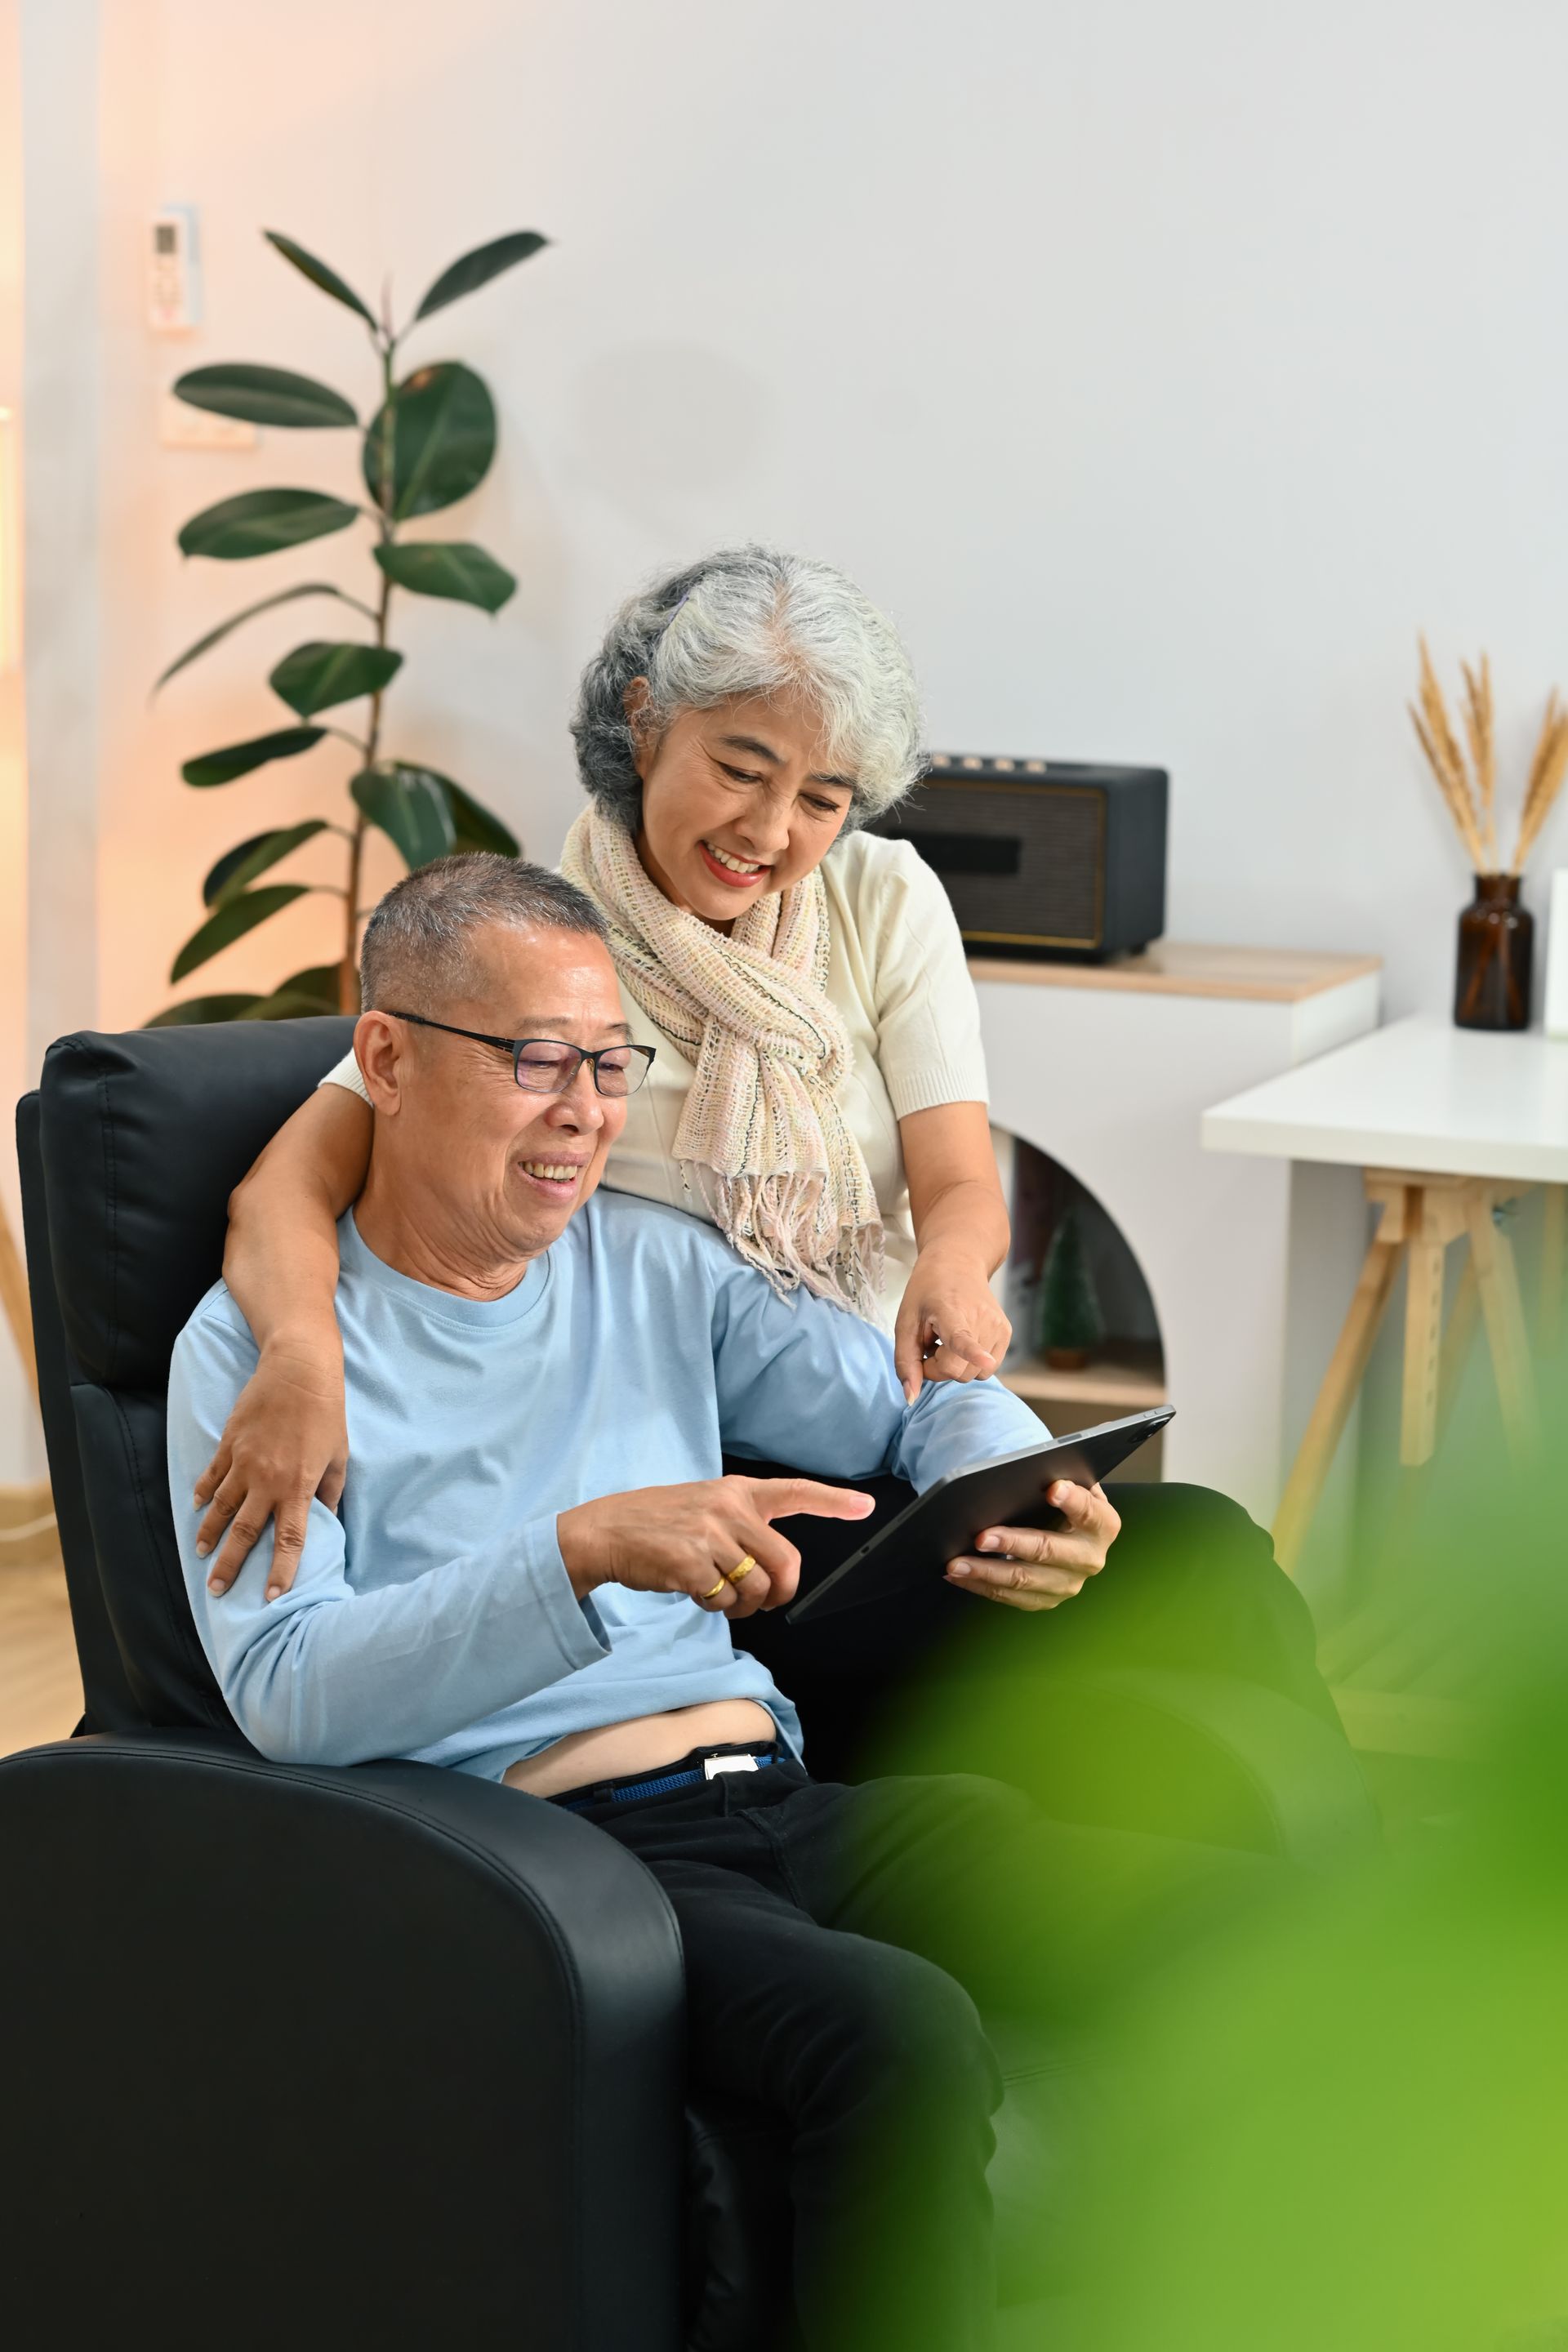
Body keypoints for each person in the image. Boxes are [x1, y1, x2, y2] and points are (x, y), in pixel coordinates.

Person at [165, 858, 1263, 2352]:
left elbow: (918, 1395)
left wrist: (1027, 1485)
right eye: (537, 1063)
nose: (586, 1112)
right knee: (903, 2036)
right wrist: (583, 1551)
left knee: (1236, 1921)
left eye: (611, 1066)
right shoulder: (257, 1361)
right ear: (388, 1061)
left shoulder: (659, 1268)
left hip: (785, 1796)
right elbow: (288, 1691)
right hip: (565, 1862)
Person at [194, 547, 1014, 1601]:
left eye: (822, 797)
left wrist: (953, 1269)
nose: (768, 832)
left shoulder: (883, 896)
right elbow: (285, 1189)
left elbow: (958, 1189)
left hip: (892, 1398)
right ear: (644, 719)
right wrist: (301, 1363)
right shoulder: (541, 954)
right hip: (668, 1462)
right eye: (740, 770)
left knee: (1190, 1543)